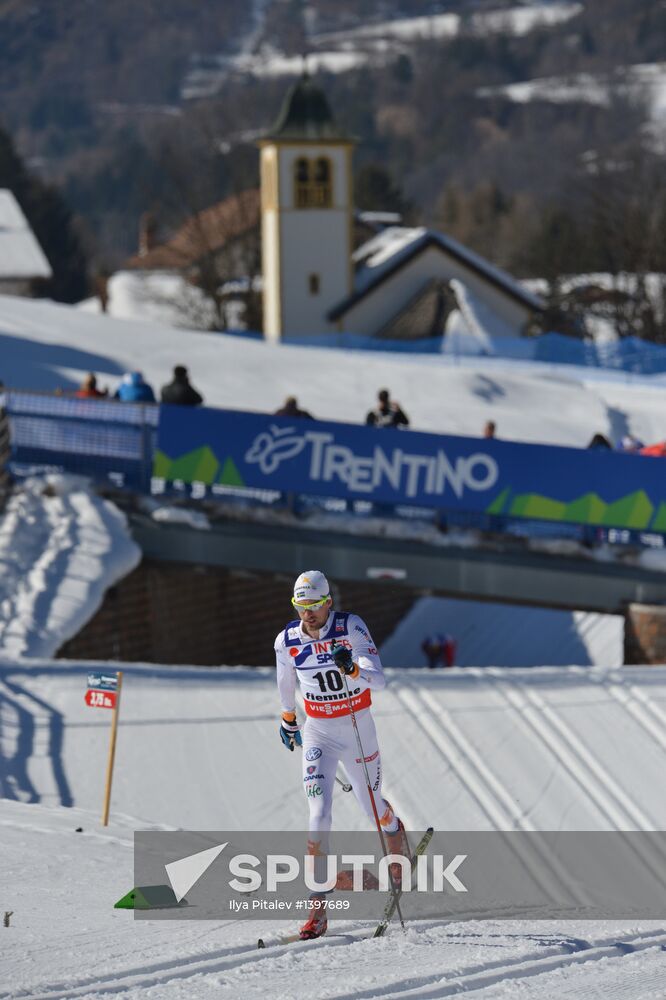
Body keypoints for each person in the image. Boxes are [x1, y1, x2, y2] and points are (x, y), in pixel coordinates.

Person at [275, 570, 410, 940]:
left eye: (314, 606)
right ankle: (317, 909)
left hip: (356, 727)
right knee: (318, 814)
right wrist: (288, 719)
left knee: (372, 807)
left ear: (328, 603)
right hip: (318, 730)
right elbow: (285, 681)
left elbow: (378, 679)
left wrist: (351, 668)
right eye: (301, 607)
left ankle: (396, 837)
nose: (308, 615)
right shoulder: (286, 639)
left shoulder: (350, 627)